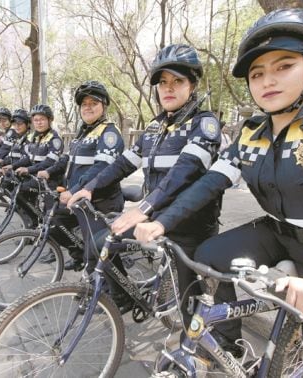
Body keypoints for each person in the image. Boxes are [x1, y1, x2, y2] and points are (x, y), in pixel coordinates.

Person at [134, 8, 303, 375]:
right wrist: (161, 221)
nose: (268, 80)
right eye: (257, 73)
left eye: (284, 66)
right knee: (208, 254)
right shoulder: (251, 133)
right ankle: (227, 338)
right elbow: (209, 183)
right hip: (280, 235)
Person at [68, 44, 223, 315]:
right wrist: (90, 188)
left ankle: (198, 347)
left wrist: (143, 209)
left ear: (193, 84)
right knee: (98, 242)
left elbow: (183, 172)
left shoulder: (204, 124)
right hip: (155, 215)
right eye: (163, 82)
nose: (168, 88)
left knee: (190, 304)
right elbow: (123, 163)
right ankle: (124, 297)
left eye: (177, 81)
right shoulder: (155, 127)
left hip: (190, 223)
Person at [37, 81, 125, 269]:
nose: (88, 107)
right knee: (53, 221)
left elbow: (101, 167)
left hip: (101, 200)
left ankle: (113, 293)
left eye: (93, 103)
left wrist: (75, 190)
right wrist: (47, 171)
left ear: (104, 105)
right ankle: (78, 253)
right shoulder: (83, 134)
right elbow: (65, 160)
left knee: (100, 253)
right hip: (78, 198)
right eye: (84, 104)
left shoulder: (109, 132)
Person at [12, 104, 64, 190]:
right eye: (36, 120)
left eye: (42, 119)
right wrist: (13, 166)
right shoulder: (35, 138)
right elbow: (29, 158)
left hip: (49, 179)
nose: (39, 123)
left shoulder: (55, 138)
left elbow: (49, 162)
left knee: (19, 191)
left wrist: (28, 169)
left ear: (49, 120)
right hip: (35, 175)